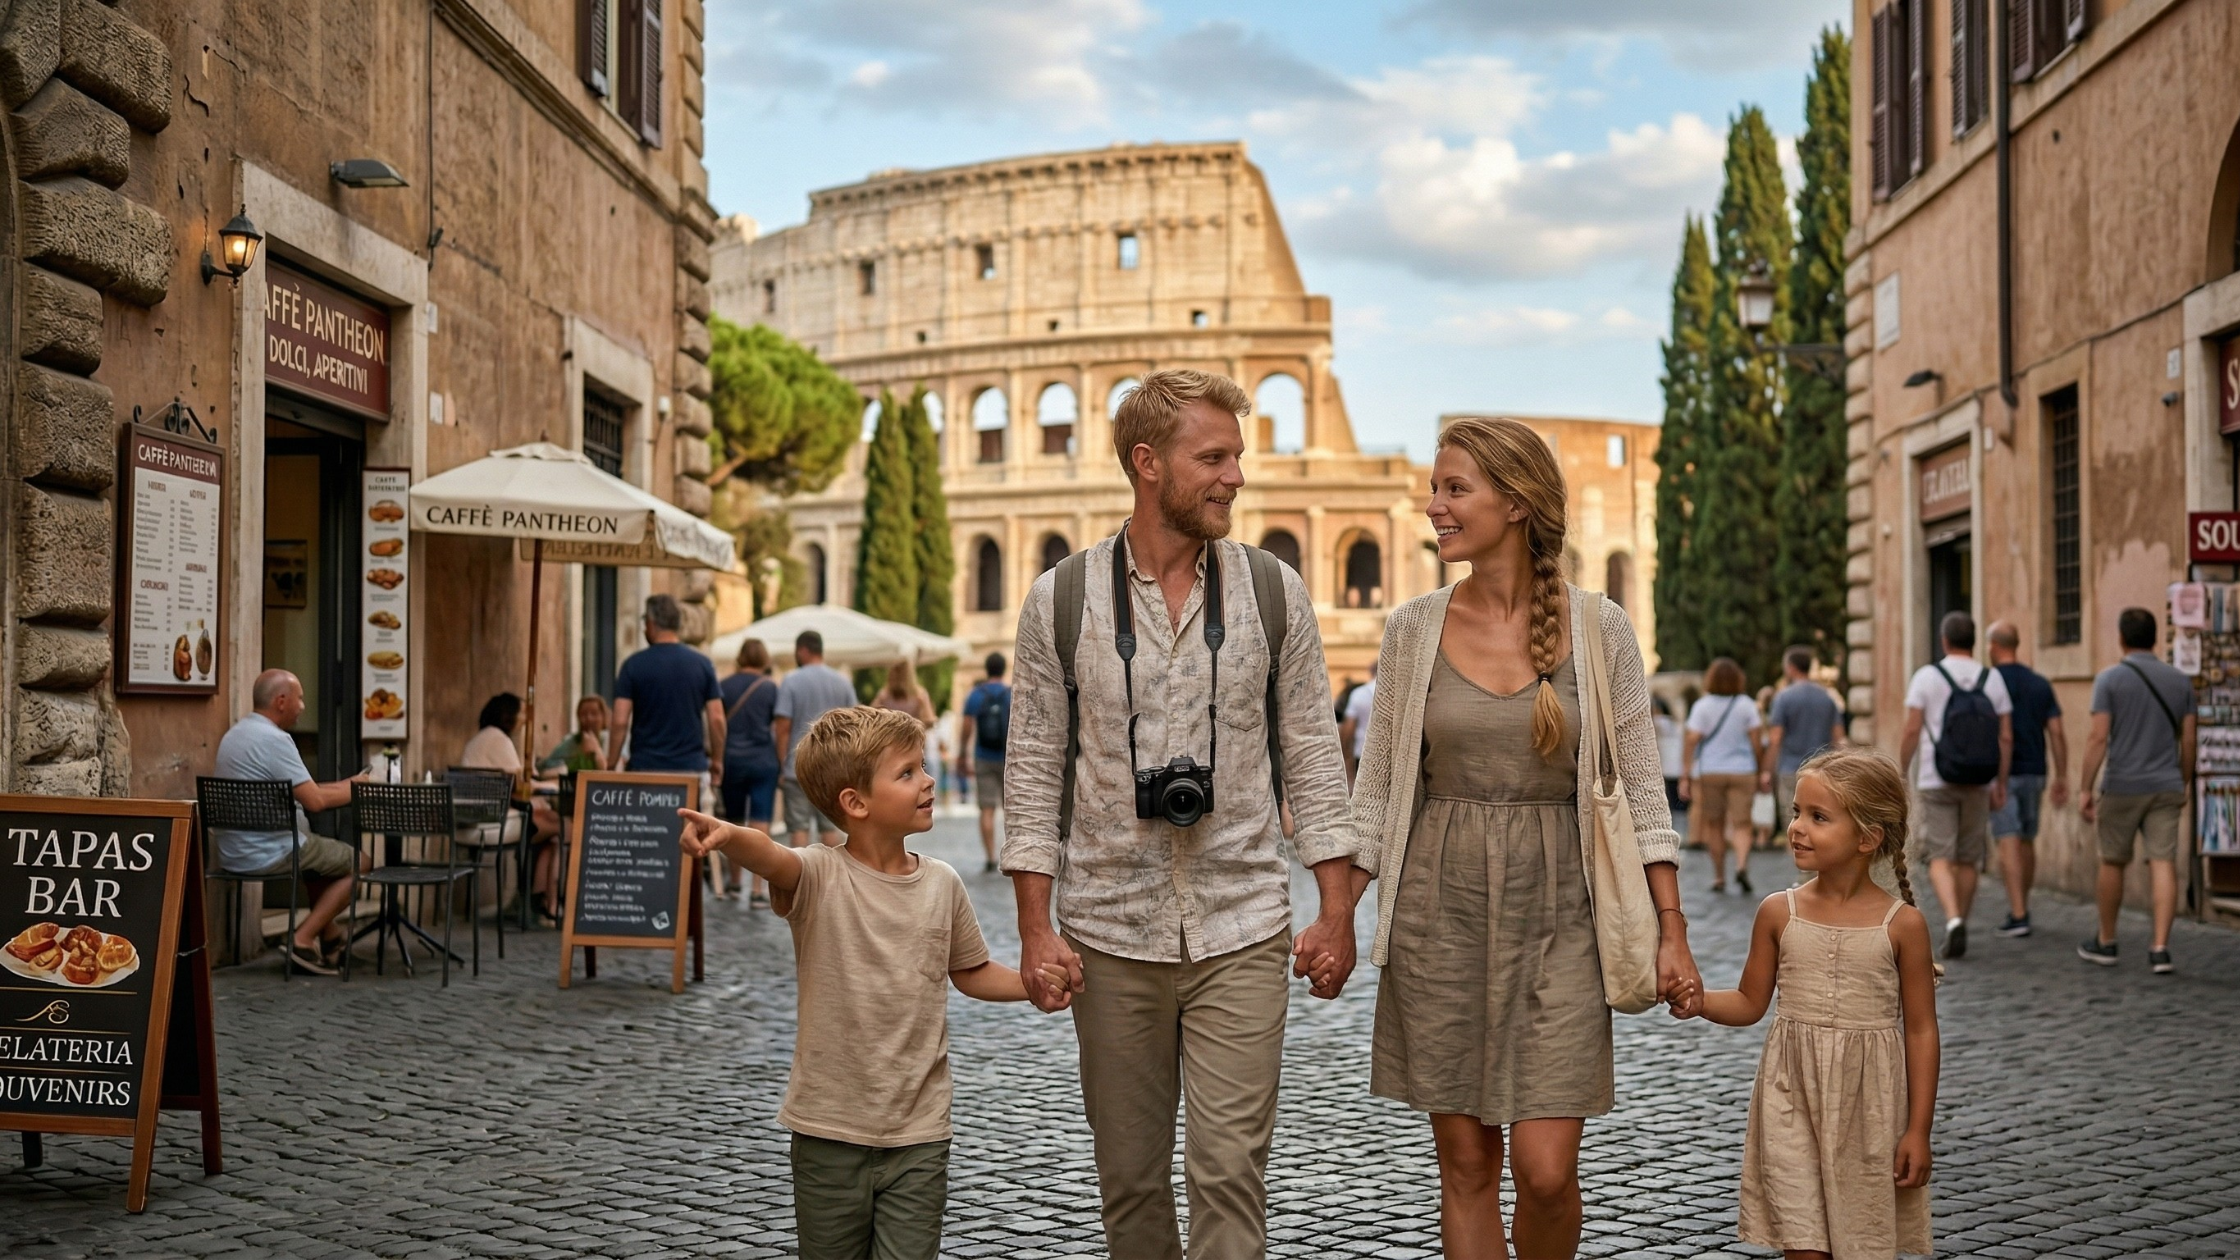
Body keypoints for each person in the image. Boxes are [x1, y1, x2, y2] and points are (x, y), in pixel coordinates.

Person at [1002, 368, 1362, 1260]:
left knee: (1229, 1172)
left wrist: (1338, 908)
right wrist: (1034, 928)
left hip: (1243, 922)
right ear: (1147, 464)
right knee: (1128, 1183)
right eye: (1214, 457)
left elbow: (1314, 753)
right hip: (1106, 930)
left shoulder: (1273, 592)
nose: (1235, 476)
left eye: (1237, 456)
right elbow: (1035, 769)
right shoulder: (1064, 599)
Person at [1352, 414, 1699, 1259]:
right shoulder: (1411, 630)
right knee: (1467, 1167)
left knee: (1546, 1172)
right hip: (1441, 910)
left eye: (1453, 488)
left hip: (1566, 912)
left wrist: (1673, 930)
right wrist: (1334, 915)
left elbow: (1645, 791)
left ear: (1515, 502)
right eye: (1435, 487)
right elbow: (1377, 795)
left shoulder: (1600, 628)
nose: (1433, 505)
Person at [673, 706, 1050, 1260]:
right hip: (828, 1131)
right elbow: (773, 857)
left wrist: (1032, 984)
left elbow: (969, 971)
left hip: (918, 1133)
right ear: (855, 803)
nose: (927, 781)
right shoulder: (820, 876)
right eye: (907, 773)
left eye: (923, 768)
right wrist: (729, 836)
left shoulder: (942, 884)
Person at [1676, 747, 1938, 1260]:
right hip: (1789, 1098)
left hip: (1870, 1110)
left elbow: (1922, 1030)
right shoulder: (1779, 912)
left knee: (1862, 1244)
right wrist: (1700, 1001)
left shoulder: (1903, 925)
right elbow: (1752, 1002)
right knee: (1804, 1247)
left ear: (1867, 837)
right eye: (1796, 811)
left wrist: (1918, 1130)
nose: (1797, 826)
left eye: (1818, 817)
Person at [210, 669, 369, 976]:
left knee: (319, 865)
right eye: (300, 699)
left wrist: (353, 783)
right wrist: (359, 789)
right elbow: (316, 802)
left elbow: (307, 789)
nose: (304, 707)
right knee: (361, 862)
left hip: (235, 851)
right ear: (281, 701)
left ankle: (332, 940)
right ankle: (303, 939)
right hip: (273, 850)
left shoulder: (236, 734)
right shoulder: (276, 740)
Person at [2077, 607, 2196, 974]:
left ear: (2122, 638)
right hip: (2166, 785)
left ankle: (2107, 940)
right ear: (2155, 637)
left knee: (2113, 859)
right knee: (2163, 861)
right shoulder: (2180, 681)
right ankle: (2160, 948)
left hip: (2123, 785)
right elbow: (2190, 738)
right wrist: (2183, 779)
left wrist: (2085, 787)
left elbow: (2099, 737)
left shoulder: (2109, 680)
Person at [1897, 611, 2013, 960]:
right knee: (1968, 857)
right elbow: (2005, 737)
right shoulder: (1992, 679)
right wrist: (2000, 781)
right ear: (1975, 642)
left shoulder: (1927, 677)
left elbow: (1912, 729)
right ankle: (1959, 916)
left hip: (1937, 777)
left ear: (1944, 640)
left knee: (1940, 855)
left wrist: (1901, 770)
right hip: (1980, 779)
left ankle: (1953, 919)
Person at [1986, 620, 2068, 937]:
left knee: (2007, 838)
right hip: (2036, 770)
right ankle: (2023, 904)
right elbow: (2057, 732)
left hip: (2002, 773)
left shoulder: (1989, 682)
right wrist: (2061, 774)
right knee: (2027, 839)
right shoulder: (2039, 683)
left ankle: (2018, 913)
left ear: (1994, 646)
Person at [610, 594, 727, 804]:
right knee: (688, 833)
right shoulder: (702, 664)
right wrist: (717, 760)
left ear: (651, 623)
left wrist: (611, 764)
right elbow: (717, 719)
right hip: (690, 770)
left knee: (648, 834)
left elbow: (619, 721)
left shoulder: (633, 665)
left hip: (645, 770)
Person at [459, 691, 563, 917]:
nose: (526, 718)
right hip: (492, 822)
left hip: (473, 819)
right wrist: (555, 784)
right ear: (509, 714)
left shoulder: (484, 737)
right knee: (567, 827)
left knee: (554, 836)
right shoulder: (498, 739)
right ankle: (548, 903)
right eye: (523, 712)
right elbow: (520, 784)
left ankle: (541, 901)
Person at [1683, 657, 1763, 894]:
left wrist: (1686, 773)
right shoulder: (1747, 705)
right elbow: (1756, 741)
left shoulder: (1702, 706)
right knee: (1742, 824)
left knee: (1714, 825)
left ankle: (1719, 877)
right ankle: (1741, 866)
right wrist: (1758, 769)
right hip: (1743, 770)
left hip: (1711, 771)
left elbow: (1691, 739)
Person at [773, 629, 858, 848]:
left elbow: (783, 727)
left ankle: (799, 879)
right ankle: (836, 877)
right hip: (834, 767)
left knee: (799, 827)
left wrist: (781, 763)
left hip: (797, 766)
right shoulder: (842, 682)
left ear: (802, 650)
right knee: (830, 826)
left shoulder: (791, 681)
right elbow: (856, 726)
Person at [719, 638, 782, 906]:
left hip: (731, 760)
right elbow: (777, 728)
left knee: (733, 824)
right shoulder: (770, 688)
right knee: (760, 823)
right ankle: (758, 889)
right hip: (762, 761)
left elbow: (716, 723)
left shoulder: (724, 685)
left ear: (740, 657)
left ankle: (734, 883)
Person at [1762, 645, 1845, 834]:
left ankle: (1797, 862)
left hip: (1790, 769)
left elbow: (1775, 738)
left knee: (1792, 821)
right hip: (1822, 768)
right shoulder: (1827, 697)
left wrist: (1766, 769)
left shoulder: (1783, 698)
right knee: (1820, 818)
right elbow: (1839, 737)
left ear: (1791, 668)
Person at [961, 653, 1012, 874]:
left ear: (986, 668)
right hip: (1009, 757)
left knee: (987, 809)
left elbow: (967, 726)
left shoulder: (975, 695)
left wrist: (962, 753)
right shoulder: (1011, 694)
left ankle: (991, 857)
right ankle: (1011, 855)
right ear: (1003, 669)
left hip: (983, 756)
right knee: (1010, 809)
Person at [539, 694, 611, 774]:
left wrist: (596, 750)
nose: (588, 718)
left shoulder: (610, 740)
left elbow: (608, 772)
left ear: (604, 717)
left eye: (594, 714)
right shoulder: (570, 743)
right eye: (583, 714)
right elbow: (548, 767)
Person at [1340, 662, 1378, 788]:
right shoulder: (1398, 693)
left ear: (1371, 672)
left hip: (1362, 753)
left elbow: (1348, 730)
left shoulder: (1359, 694)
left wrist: (1346, 757)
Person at [875, 660, 936, 728]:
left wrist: (923, 706)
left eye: (900, 673)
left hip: (913, 733)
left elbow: (930, 722)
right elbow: (872, 717)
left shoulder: (920, 695)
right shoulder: (884, 695)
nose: (897, 676)